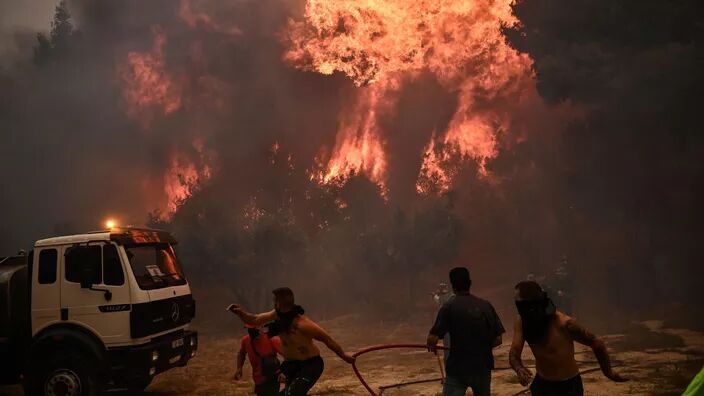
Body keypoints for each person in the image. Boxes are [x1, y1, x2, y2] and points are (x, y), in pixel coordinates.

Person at [228, 287, 355, 395]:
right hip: (291, 365)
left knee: (293, 393)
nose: (274, 303)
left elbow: (328, 340)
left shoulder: (303, 324)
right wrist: (240, 313)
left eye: (275, 300)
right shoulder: (277, 315)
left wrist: (344, 356)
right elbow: (255, 319)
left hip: (310, 365)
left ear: (280, 303)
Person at [509, 280, 628, 396]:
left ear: (532, 304)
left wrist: (608, 372)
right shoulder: (521, 322)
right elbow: (514, 352)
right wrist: (519, 369)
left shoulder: (563, 323)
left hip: (568, 386)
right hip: (542, 383)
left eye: (521, 304)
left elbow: (596, 343)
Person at [426, 267, 505, 396]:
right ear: (470, 283)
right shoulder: (486, 305)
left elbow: (432, 339)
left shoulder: (449, 307)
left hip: (458, 368)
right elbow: (498, 339)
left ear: (453, 286)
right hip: (482, 367)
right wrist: (479, 348)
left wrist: (432, 345)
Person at [235, 324, 283, 396]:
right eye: (250, 330)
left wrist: (283, 371)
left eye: (254, 330)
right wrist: (239, 368)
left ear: (261, 329)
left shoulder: (272, 339)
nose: (252, 332)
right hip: (258, 378)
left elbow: (288, 355)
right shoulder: (246, 340)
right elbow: (241, 353)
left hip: (272, 377)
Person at [432, 282, 454, 365]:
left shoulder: (447, 298)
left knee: (448, 348)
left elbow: (439, 302)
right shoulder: (451, 297)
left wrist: (435, 296)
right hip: (452, 327)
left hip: (449, 327)